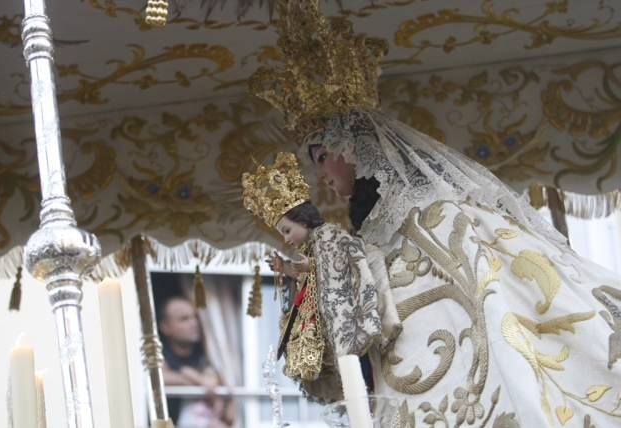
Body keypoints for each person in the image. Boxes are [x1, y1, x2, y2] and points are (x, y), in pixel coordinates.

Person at [248, 1, 621, 426]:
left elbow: (475, 298)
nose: (322, 178)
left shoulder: (437, 215)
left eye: (321, 158)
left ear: (346, 148)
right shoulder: (378, 231)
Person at [242, 152, 396, 403]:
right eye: (283, 233)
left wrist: (298, 267)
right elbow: (310, 271)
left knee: (361, 376)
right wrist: (288, 270)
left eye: (288, 230)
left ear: (303, 220)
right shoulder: (311, 247)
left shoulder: (327, 236)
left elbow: (332, 266)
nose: (287, 238)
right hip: (323, 321)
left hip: (344, 318)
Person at [158, 295, 234, 427]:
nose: (194, 323)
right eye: (184, 319)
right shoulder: (158, 354)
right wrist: (196, 379)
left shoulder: (210, 354)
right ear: (165, 327)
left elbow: (228, 411)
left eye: (195, 317)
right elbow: (157, 378)